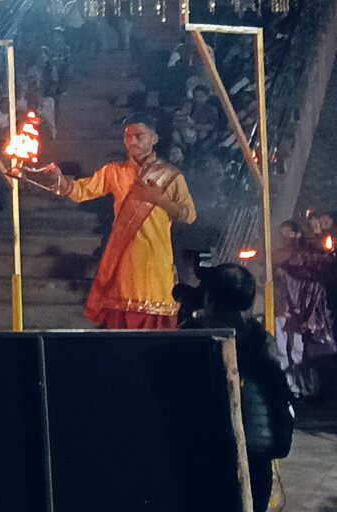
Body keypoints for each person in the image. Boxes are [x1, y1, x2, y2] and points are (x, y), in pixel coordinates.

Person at [44, 114, 197, 329]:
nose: (132, 141)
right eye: (128, 136)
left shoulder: (171, 176)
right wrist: (59, 179)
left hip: (155, 262)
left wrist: (158, 199)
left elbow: (189, 215)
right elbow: (81, 191)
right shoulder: (114, 172)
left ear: (154, 138)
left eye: (138, 136)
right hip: (124, 264)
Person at [176, 263, 293, 512]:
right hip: (258, 455)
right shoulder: (262, 340)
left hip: (205, 455)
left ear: (209, 297)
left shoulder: (191, 338)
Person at [273, 220, 334, 398]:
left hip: (301, 308)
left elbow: (321, 262)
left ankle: (299, 387)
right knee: (281, 347)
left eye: (288, 233)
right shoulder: (277, 254)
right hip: (281, 305)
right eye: (281, 233)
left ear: (297, 234)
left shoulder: (308, 253)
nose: (284, 237)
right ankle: (288, 386)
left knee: (297, 349)